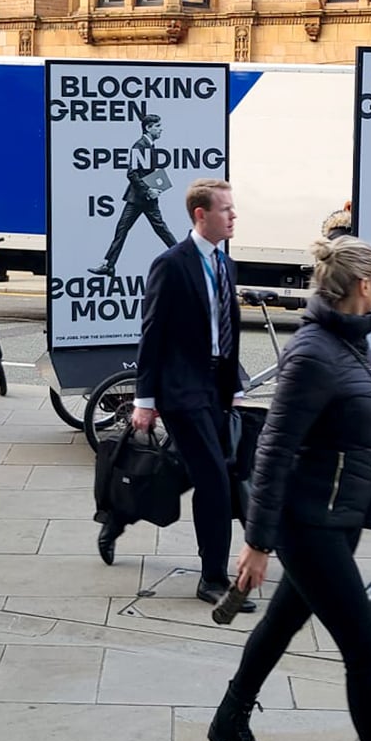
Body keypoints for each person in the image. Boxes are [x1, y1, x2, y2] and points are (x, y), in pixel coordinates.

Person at [211, 235, 371, 741]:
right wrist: (258, 543)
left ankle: (228, 718)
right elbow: (274, 449)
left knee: (284, 620)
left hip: (336, 515)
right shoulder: (314, 351)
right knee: (365, 650)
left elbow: (354, 406)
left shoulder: (351, 342)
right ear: (363, 284)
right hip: (307, 523)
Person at [101, 178, 251, 610]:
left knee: (185, 471)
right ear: (201, 215)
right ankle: (213, 579)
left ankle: (117, 515)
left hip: (216, 387)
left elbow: (228, 330)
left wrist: (235, 383)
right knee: (215, 481)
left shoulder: (226, 263)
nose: (233, 216)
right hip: (181, 391)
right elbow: (153, 334)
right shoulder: (172, 263)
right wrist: (145, 401)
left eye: (233, 208)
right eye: (225, 209)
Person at [89, 114, 178, 278]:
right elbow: (132, 173)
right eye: (158, 126)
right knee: (133, 229)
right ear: (148, 128)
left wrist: (156, 187)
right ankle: (109, 265)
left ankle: (184, 258)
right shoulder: (140, 146)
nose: (161, 129)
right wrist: (148, 190)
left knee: (154, 229)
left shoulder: (148, 146)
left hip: (143, 198)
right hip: (139, 198)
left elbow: (146, 172)